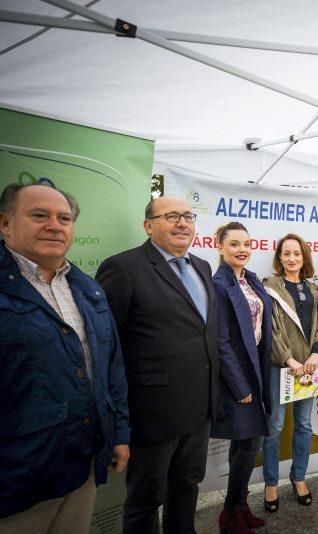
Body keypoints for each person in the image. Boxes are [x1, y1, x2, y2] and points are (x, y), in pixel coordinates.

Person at [0, 184, 130, 533]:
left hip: (82, 467)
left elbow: (111, 368)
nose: (54, 225)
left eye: (64, 218)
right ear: (5, 223)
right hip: (17, 484)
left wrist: (118, 434)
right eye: (39, 216)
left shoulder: (88, 288)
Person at [96, 196, 219, 534]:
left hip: (198, 410)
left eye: (188, 216)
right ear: (148, 225)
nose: (182, 223)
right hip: (152, 414)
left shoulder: (202, 266)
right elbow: (109, 346)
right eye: (172, 216)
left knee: (187, 487)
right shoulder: (123, 268)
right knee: (145, 501)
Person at [211, 222, 272, 533]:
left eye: (246, 243)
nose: (242, 249)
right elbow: (219, 342)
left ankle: (239, 506)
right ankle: (231, 514)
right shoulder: (219, 285)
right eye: (234, 244)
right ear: (219, 247)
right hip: (238, 376)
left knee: (245, 442)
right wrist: (239, 385)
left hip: (257, 370)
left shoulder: (249, 279)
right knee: (250, 442)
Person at [263, 233, 318, 510]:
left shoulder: (313, 289)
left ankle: (299, 477)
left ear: (304, 257)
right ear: (279, 258)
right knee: (274, 427)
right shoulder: (270, 287)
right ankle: (270, 483)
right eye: (286, 253)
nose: (292, 258)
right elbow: (271, 331)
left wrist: (315, 353)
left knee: (304, 425)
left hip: (310, 368)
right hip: (282, 368)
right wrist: (290, 361)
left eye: (297, 254)